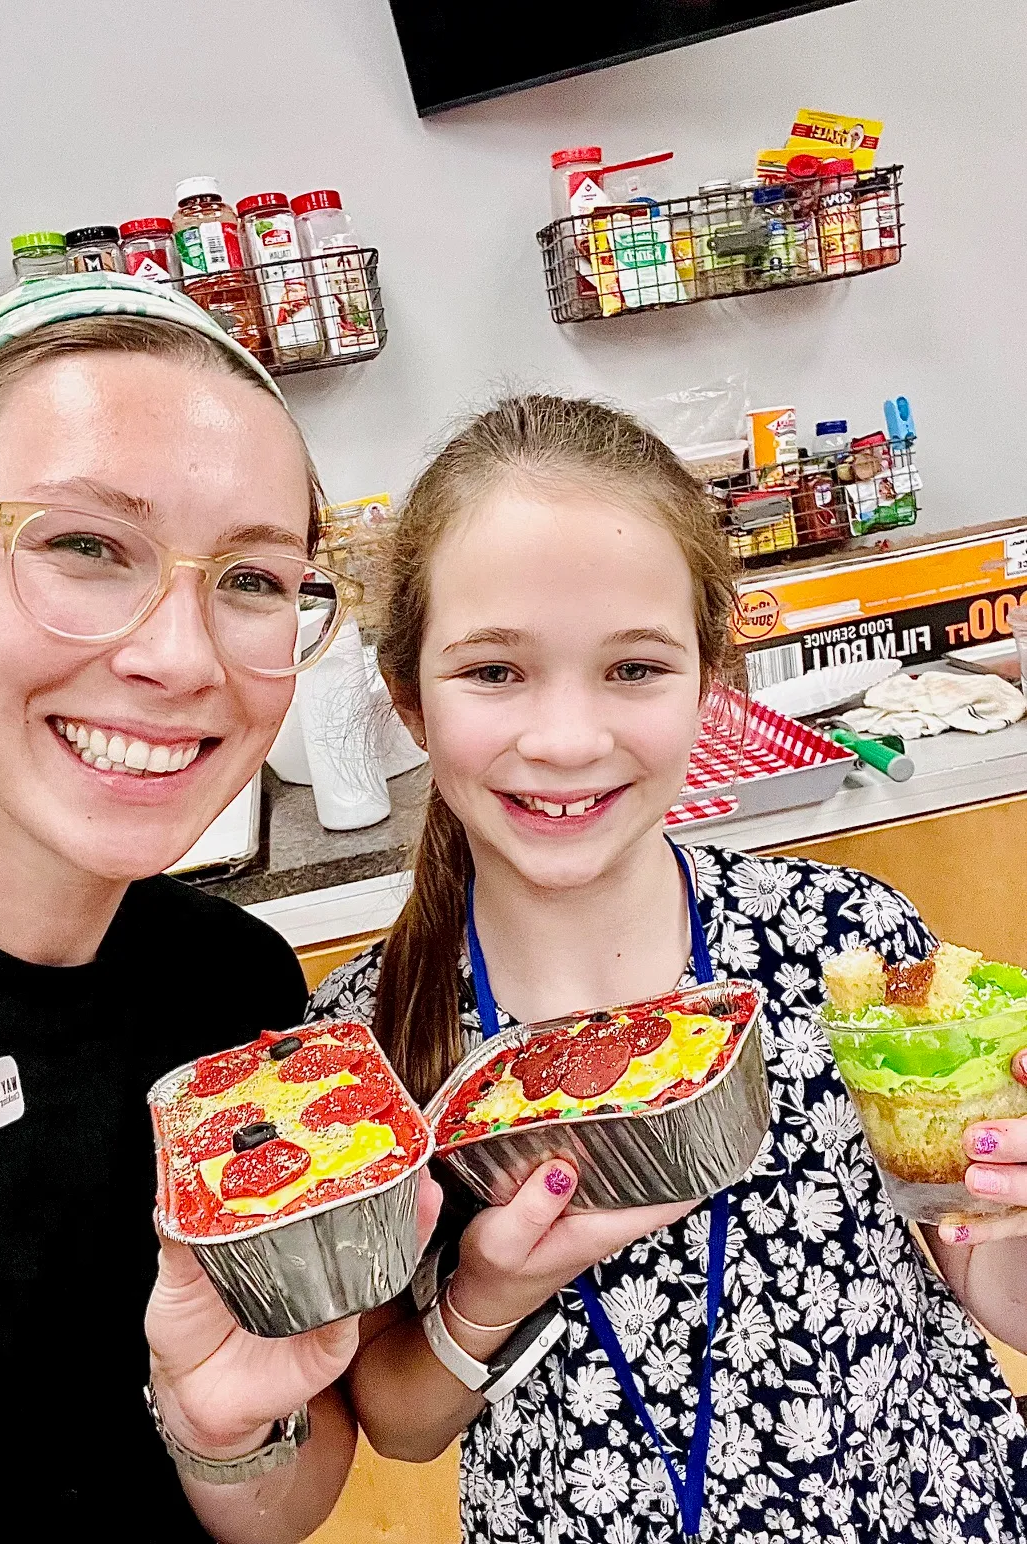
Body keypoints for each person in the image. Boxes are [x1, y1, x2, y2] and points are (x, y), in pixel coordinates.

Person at [308, 395, 1027, 1542]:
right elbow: (398, 1420)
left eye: (633, 668)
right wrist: (491, 1292)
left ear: (707, 681)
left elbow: (991, 1284)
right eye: (495, 672)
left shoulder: (847, 945)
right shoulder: (359, 1061)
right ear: (408, 700)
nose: (567, 738)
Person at [0, 273, 385, 1541]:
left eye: (257, 579)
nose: (183, 656)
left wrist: (221, 1432)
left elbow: (283, 1504)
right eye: (88, 546)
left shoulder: (240, 995)